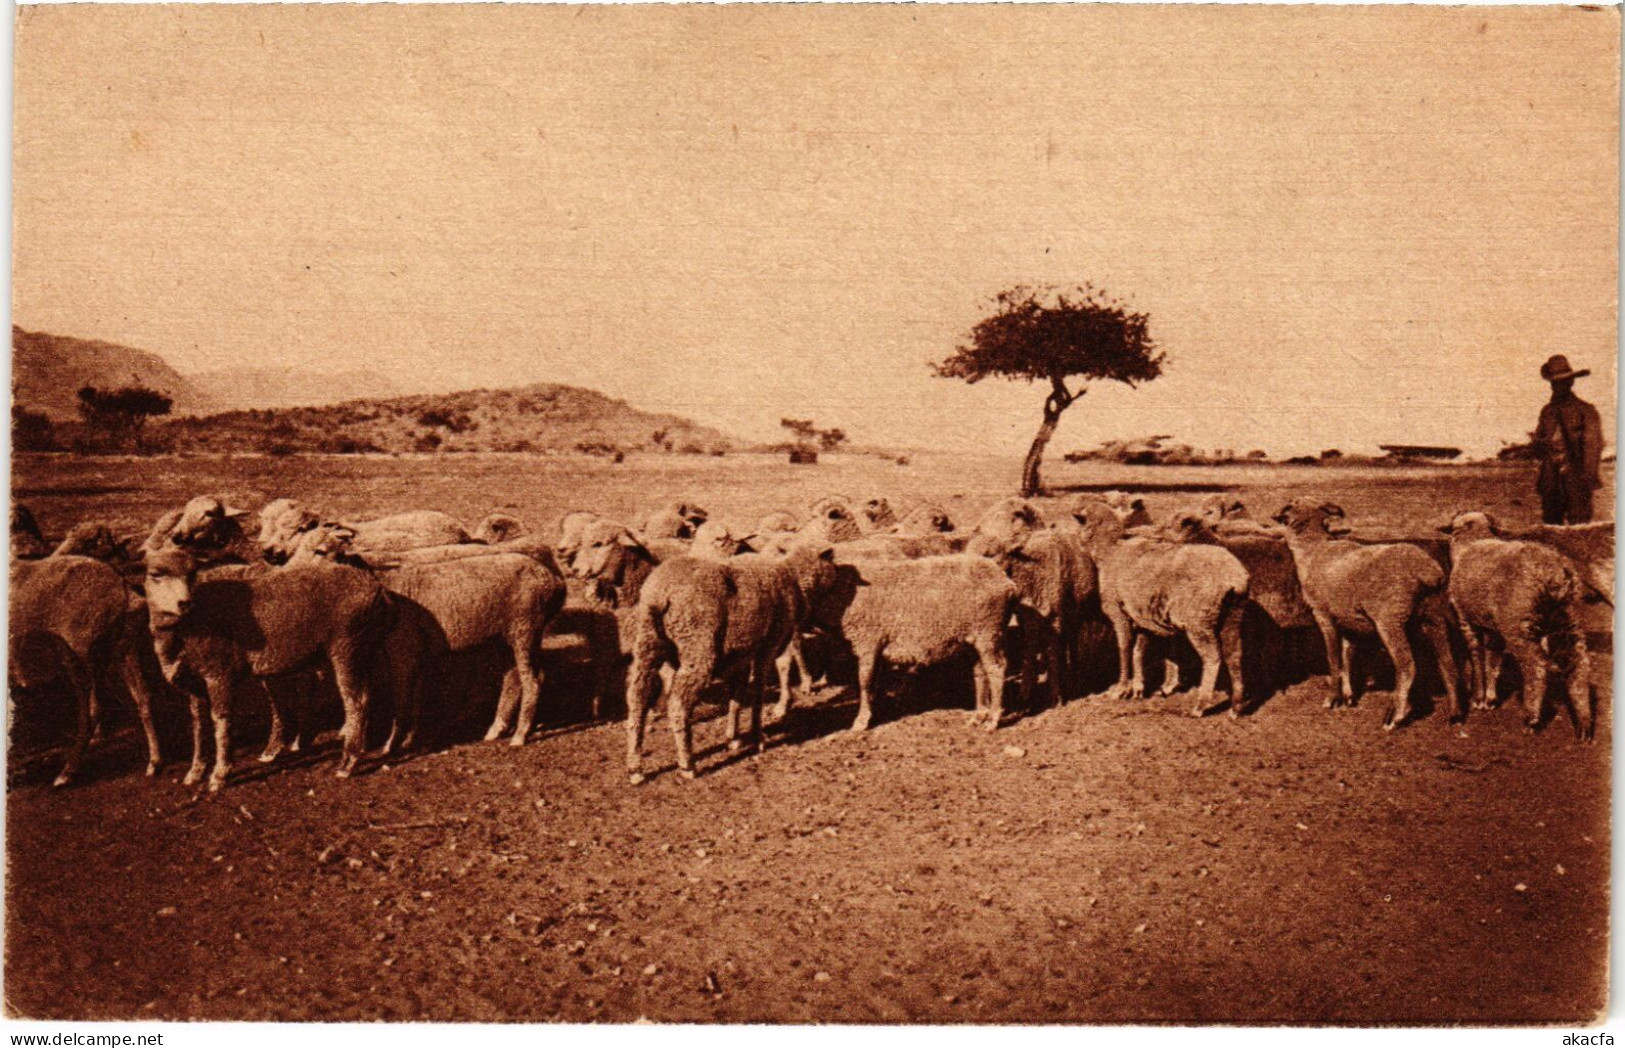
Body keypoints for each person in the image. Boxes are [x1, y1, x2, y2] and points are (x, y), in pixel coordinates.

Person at [1534, 354, 1603, 525]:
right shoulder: (1547, 412)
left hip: (1577, 477)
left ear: (1571, 382)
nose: (1557, 386)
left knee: (1579, 526)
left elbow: (1593, 446)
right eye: (1555, 383)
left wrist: (1587, 478)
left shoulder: (1586, 411)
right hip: (1550, 479)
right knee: (1551, 525)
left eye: (1562, 382)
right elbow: (1538, 442)